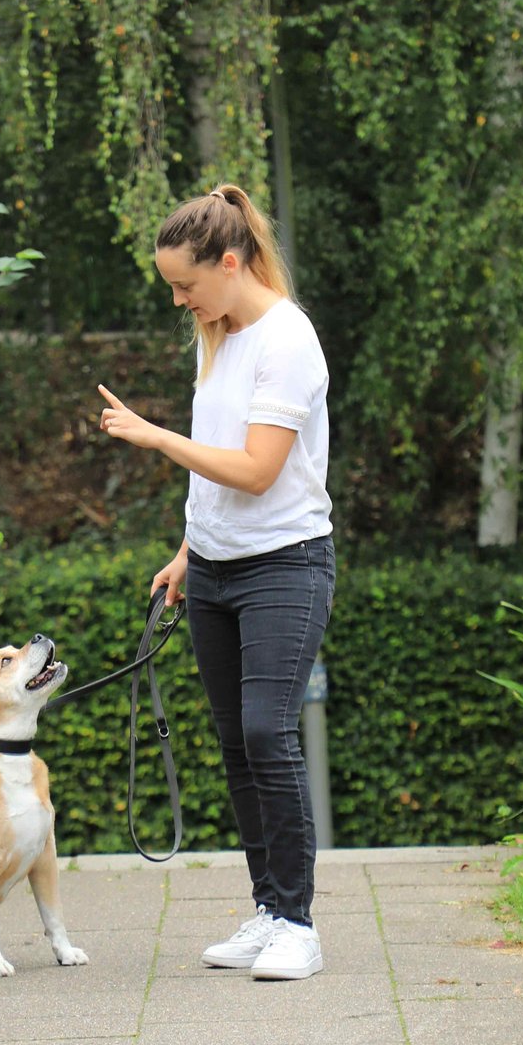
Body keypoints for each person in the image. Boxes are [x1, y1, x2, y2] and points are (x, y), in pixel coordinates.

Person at [96, 182, 333, 981]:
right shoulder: (222, 336)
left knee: (268, 733)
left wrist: (155, 436)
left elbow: (260, 472)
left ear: (230, 263)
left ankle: (299, 923)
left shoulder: (287, 340)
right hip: (216, 571)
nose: (179, 300)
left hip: (285, 567)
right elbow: (220, 476)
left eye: (186, 286)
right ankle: (269, 909)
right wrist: (188, 550)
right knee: (237, 744)